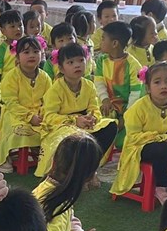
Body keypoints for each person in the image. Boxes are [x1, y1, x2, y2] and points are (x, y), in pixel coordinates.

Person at [110, 61, 167, 202]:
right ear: (148, 87)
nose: (163, 86)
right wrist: (164, 138)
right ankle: (162, 186)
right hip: (139, 148)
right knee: (161, 148)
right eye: (157, 82)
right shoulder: (138, 108)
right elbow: (134, 136)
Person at [36, 42, 117, 175]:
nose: (77, 65)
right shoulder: (55, 89)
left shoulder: (89, 85)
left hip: (85, 123)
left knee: (110, 126)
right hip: (61, 126)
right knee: (75, 136)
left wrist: (92, 118)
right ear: (61, 68)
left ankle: (90, 168)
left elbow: (94, 108)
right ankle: (76, 172)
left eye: (81, 60)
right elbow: (49, 117)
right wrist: (75, 120)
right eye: (71, 62)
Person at [0, 35, 48, 172]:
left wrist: (42, 114)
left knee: (52, 128)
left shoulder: (45, 77)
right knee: (19, 130)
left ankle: (40, 153)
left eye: (36, 51)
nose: (31, 55)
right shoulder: (11, 76)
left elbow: (49, 101)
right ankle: (5, 156)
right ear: (17, 57)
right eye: (26, 52)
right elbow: (10, 102)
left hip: (39, 115)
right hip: (15, 114)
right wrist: (29, 116)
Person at [94, 20, 143, 116]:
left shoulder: (133, 65)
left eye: (103, 39)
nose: (100, 42)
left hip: (128, 106)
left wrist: (127, 114)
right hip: (107, 103)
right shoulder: (101, 60)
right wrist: (105, 99)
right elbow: (99, 82)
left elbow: (136, 93)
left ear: (114, 43)